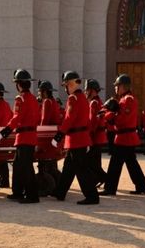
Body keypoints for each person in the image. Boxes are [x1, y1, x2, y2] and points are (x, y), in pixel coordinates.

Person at [51, 71, 99, 205]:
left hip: (76, 139)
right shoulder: (83, 97)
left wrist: (59, 135)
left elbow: (68, 118)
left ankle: (92, 196)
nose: (65, 88)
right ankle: (60, 192)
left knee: (81, 169)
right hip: (80, 138)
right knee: (68, 168)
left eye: (66, 85)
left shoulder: (73, 98)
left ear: (70, 84)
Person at [99, 74, 145, 196]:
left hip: (124, 137)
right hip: (126, 137)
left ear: (122, 86)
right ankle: (142, 186)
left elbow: (121, 120)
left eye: (117, 86)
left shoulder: (127, 99)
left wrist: (107, 114)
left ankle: (110, 188)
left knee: (115, 164)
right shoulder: (125, 99)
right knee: (132, 164)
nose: (115, 88)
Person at [0, 69, 40, 204]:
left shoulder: (20, 99)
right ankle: (17, 192)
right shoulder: (33, 99)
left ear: (18, 84)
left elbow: (16, 118)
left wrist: (4, 132)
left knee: (25, 167)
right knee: (18, 165)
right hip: (30, 136)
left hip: (23, 137)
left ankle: (32, 196)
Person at [37, 80, 62, 191]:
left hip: (48, 135)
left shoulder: (47, 102)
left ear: (44, 92)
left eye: (40, 91)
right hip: (54, 132)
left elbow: (44, 119)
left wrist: (39, 134)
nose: (39, 94)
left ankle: (44, 182)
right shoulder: (54, 102)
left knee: (43, 159)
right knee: (52, 161)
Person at [84, 79, 108, 187]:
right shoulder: (99, 101)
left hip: (95, 136)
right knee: (95, 161)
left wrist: (88, 136)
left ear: (91, 91)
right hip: (99, 136)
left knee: (91, 162)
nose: (85, 92)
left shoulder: (93, 103)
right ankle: (97, 179)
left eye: (87, 90)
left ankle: (105, 178)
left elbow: (93, 121)